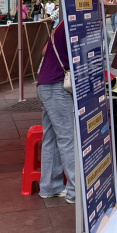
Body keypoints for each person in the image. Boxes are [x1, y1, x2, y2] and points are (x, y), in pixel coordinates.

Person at [37, 21, 75, 204]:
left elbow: (44, 51)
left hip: (47, 83)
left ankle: (50, 186)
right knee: (68, 138)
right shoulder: (77, 23)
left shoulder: (62, 23)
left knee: (52, 137)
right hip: (57, 85)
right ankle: (76, 191)